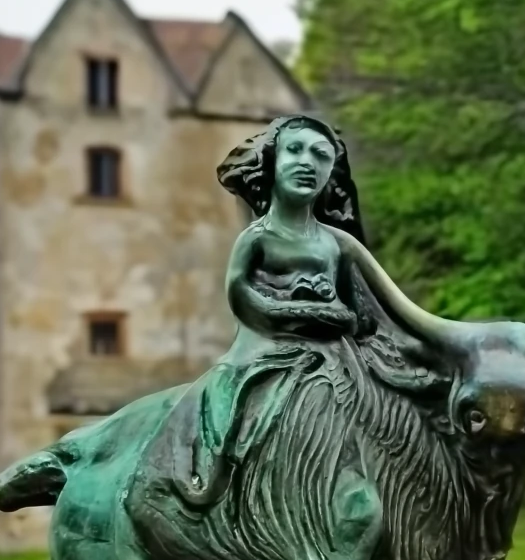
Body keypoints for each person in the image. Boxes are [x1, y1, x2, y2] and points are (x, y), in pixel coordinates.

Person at [162, 114, 440, 510]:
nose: (307, 161)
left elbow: (373, 306)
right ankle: (224, 484)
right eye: (294, 150)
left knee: (387, 404)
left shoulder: (338, 244)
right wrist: (297, 310)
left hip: (335, 356)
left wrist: (346, 318)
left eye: (320, 155)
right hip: (265, 353)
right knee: (236, 411)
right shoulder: (257, 238)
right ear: (272, 163)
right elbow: (241, 294)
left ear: (332, 172)